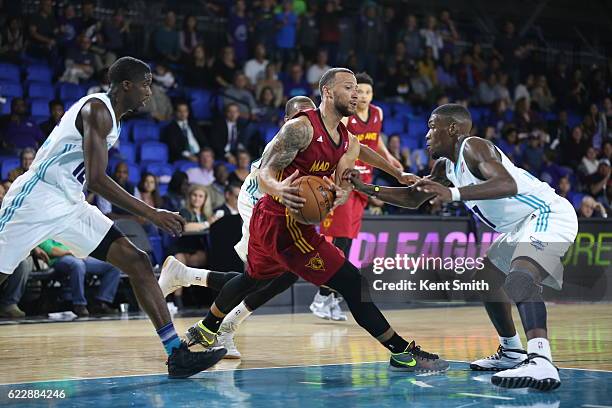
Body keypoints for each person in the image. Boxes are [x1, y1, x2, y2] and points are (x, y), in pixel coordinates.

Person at [159, 69, 447, 372]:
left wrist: (348, 191)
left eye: (357, 88)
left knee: (256, 279)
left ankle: (206, 329)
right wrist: (278, 187)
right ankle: (402, 352)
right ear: (327, 92)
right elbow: (265, 172)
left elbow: (358, 157)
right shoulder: (300, 128)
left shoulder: (346, 139)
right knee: (351, 282)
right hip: (279, 219)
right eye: (348, 88)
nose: (355, 94)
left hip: (280, 220)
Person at [0, 57, 226, 378]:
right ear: (126, 86)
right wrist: (151, 212)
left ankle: (177, 354)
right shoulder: (97, 110)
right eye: (145, 84)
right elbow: (97, 179)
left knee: (137, 261)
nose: (150, 92)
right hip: (36, 199)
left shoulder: (115, 119)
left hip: (69, 203)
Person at [348, 103, 578, 391]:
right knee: (487, 280)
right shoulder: (445, 166)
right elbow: (413, 198)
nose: (427, 133)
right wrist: (367, 188)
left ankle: (541, 360)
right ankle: (512, 352)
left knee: (520, 277)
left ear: (453, 129)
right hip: (521, 225)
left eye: (433, 126)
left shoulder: (474, 147)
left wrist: (454, 193)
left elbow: (507, 184)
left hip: (547, 214)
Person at [315, 72, 403, 321]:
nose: (362, 95)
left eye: (366, 92)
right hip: (345, 181)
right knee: (339, 243)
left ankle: (329, 299)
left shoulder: (378, 113)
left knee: (349, 244)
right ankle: (322, 297)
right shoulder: (345, 116)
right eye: (358, 91)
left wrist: (388, 157)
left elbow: (375, 142)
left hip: (363, 184)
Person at [39, 238, 122, 317]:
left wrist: (83, 252)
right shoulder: (44, 231)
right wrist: (72, 253)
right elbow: (52, 251)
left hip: (78, 256)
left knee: (114, 265)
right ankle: (79, 304)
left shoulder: (66, 229)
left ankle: (101, 302)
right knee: (78, 265)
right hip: (60, 259)